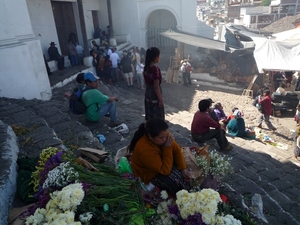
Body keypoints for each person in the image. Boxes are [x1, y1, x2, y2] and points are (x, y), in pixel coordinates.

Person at [128, 118, 192, 195]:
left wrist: (183, 169)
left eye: (166, 136)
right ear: (150, 137)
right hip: (149, 172)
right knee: (175, 183)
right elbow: (164, 171)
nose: (165, 139)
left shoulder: (164, 134)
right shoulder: (144, 149)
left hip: (162, 162)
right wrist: (167, 147)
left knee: (185, 172)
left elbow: (177, 150)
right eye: (161, 138)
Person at [143, 47, 164, 121]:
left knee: (149, 112)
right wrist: (160, 99)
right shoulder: (155, 69)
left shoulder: (146, 67)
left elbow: (146, 82)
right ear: (155, 57)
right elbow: (156, 87)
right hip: (154, 94)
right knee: (157, 114)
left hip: (148, 92)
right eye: (159, 55)